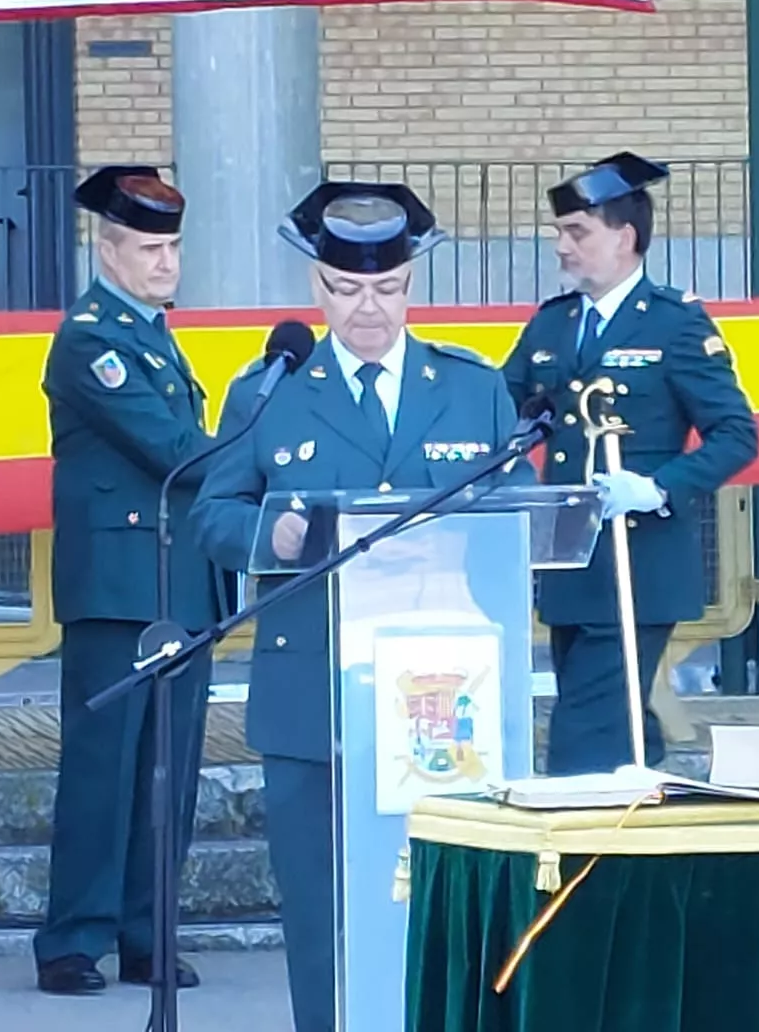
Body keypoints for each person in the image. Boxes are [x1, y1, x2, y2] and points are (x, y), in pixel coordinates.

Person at [190, 182, 520, 1032]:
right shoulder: (270, 395)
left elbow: (521, 520)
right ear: (317, 290)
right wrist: (280, 537)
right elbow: (212, 513)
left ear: (411, 286)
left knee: (444, 908)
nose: (366, 309)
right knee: (322, 918)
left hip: (448, 695)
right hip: (315, 698)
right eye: (345, 290)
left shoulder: (474, 390)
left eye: (386, 288)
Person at [502, 152, 758, 775]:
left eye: (577, 232)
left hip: (636, 563)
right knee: (618, 730)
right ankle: (648, 838)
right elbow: (502, 417)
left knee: (586, 741)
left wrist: (658, 488)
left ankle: (584, 859)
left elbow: (736, 434)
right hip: (570, 568)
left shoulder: (675, 324)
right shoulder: (553, 325)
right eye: (560, 232)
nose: (562, 247)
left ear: (625, 237)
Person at [34, 166, 219, 995]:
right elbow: (175, 449)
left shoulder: (152, 332)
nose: (167, 262)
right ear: (107, 250)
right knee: (103, 769)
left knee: (169, 772)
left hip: (177, 581)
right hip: (117, 586)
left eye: (173, 246)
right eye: (150, 247)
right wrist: (264, 431)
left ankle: (149, 934)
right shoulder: (90, 339)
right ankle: (74, 939)